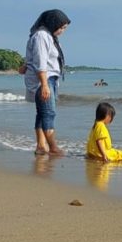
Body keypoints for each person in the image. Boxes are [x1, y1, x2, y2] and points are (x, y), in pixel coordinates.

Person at [23, 9, 71, 156]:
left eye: (64, 28)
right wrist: (44, 84)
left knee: (42, 113)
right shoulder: (42, 36)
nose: (62, 31)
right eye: (61, 27)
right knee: (49, 113)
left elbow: (36, 57)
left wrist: (25, 65)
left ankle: (41, 146)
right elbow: (40, 60)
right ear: (52, 23)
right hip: (43, 78)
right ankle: (53, 147)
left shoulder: (50, 36)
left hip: (49, 78)